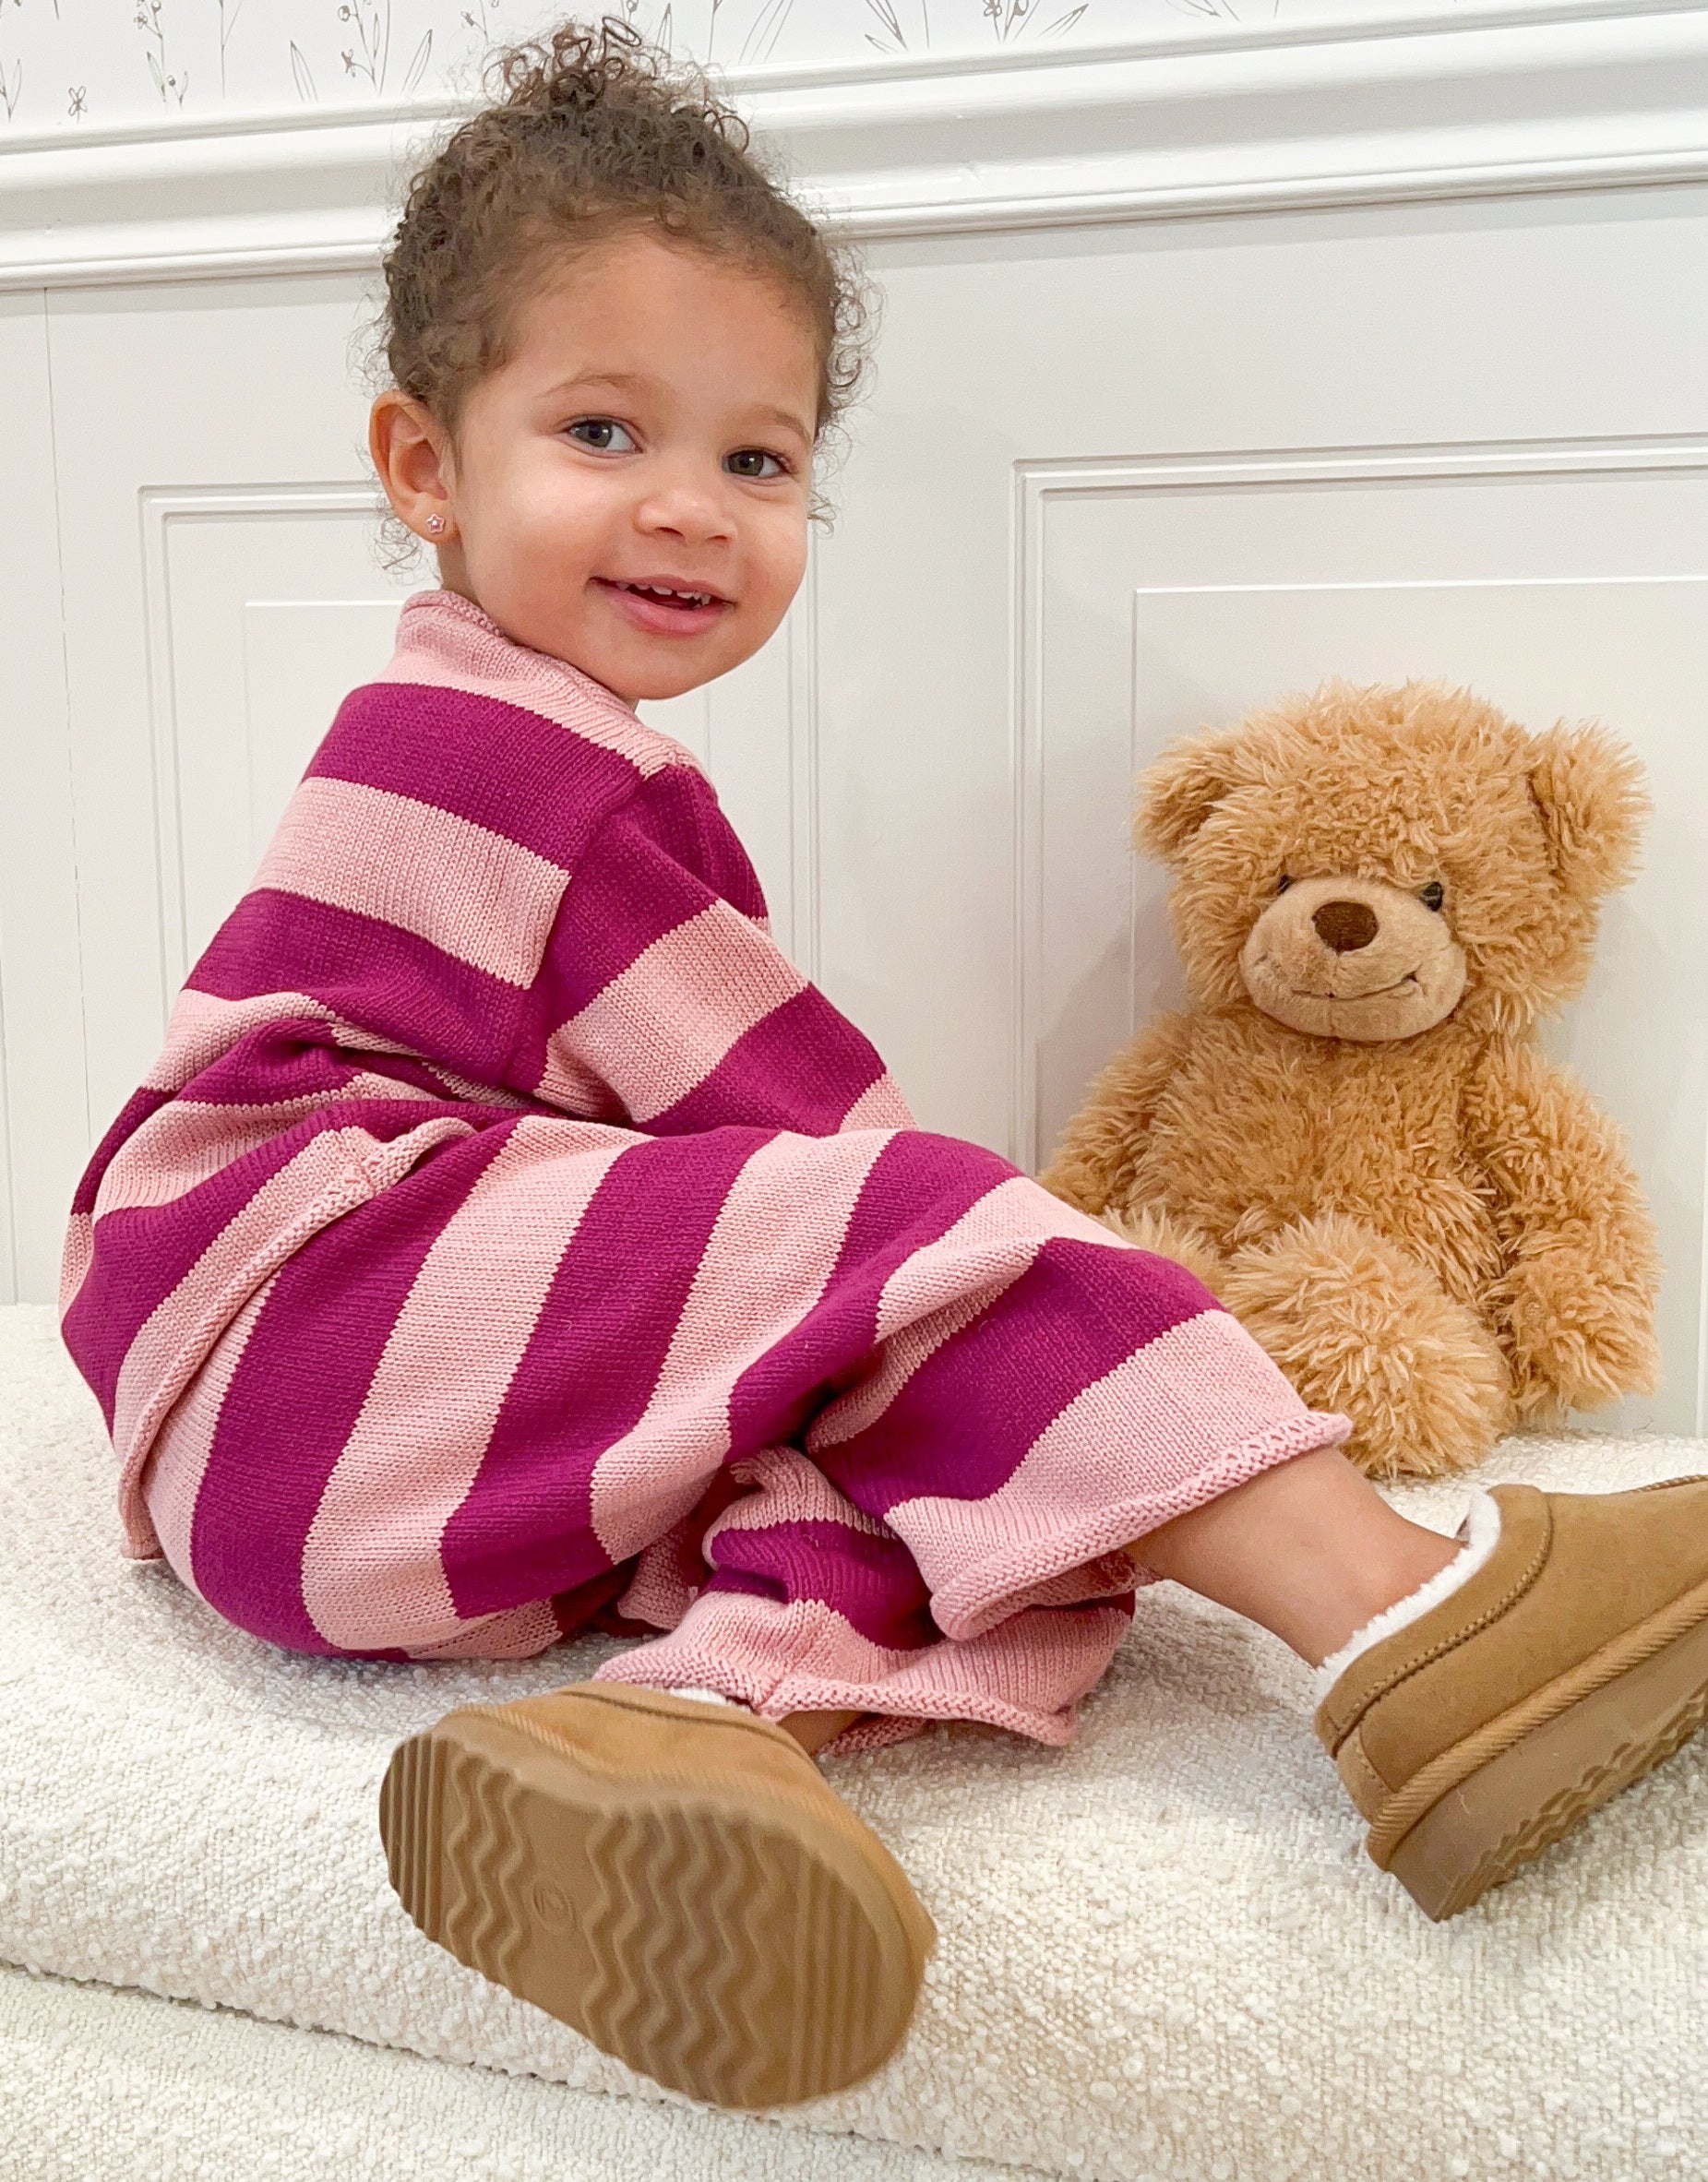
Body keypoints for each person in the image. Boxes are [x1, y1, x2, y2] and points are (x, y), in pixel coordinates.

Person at [59, 15, 1708, 2118]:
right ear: (422, 468)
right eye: (599, 431)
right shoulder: (509, 753)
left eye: (755, 460)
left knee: (871, 1446)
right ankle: (1401, 1612)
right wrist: (1074, 1296)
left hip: (344, 1469)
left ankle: (703, 1730)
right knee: (939, 1257)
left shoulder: (509, 746)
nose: (688, 510)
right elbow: (818, 1134)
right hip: (312, 1322)